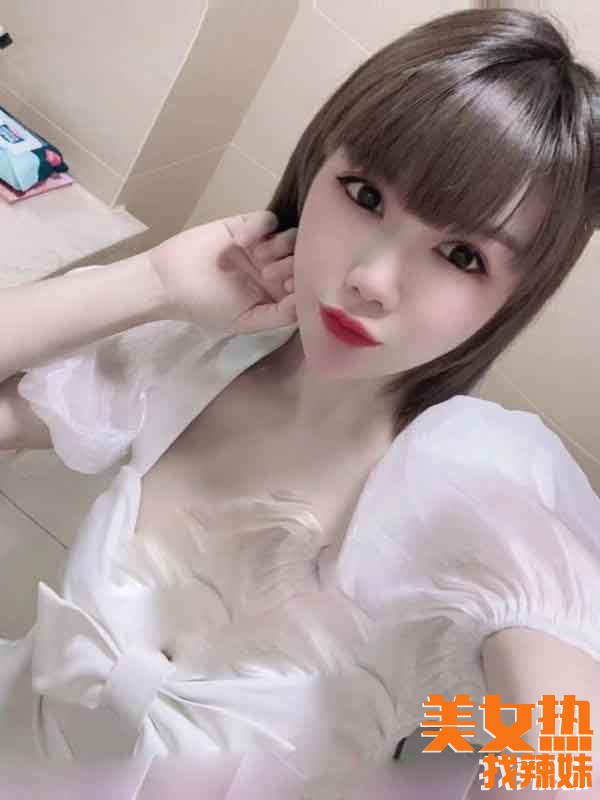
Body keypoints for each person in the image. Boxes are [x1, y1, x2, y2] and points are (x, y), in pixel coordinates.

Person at [0, 7, 599, 798]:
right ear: (316, 166)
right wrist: (149, 284)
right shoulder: (198, 357)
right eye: (365, 194)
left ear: (515, 297)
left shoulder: (478, 478)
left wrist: (476, 761)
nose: (371, 279)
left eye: (461, 255)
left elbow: (565, 760)